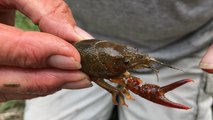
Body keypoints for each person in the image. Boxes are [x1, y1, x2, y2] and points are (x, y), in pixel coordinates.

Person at [0, 0, 212, 120]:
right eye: (128, 64)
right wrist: (117, 88)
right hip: (72, 35)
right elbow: (109, 82)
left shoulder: (128, 57)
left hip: (184, 45)